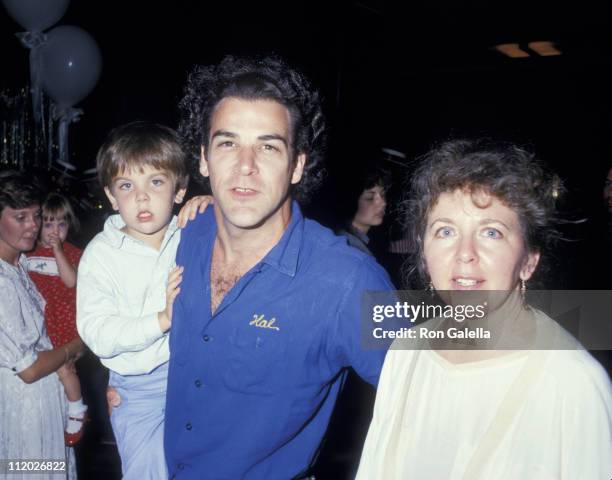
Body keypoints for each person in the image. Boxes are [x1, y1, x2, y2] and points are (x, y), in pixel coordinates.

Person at [164, 55, 394, 479]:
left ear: (297, 165)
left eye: (268, 146)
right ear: (203, 159)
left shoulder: (346, 281)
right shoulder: (189, 235)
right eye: (227, 143)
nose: (245, 165)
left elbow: (439, 390)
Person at [355, 139, 612, 479]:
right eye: (445, 231)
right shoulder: (405, 351)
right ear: (424, 253)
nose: (465, 253)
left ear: (529, 261)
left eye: (491, 232)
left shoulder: (572, 384)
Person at [76, 122, 188, 479]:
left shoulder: (190, 234)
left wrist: (209, 203)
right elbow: (97, 332)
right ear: (111, 196)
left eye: (155, 182)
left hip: (193, 375)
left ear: (179, 190)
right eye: (127, 186)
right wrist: (160, 320)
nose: (141, 197)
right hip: (138, 390)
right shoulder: (101, 254)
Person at [0, 170, 83, 480]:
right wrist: (75, 346)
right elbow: (30, 368)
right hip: (22, 413)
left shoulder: (20, 265)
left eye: (36, 216)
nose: (33, 226)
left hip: (47, 404)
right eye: (20, 217)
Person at [26, 193, 87, 446]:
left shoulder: (73, 253)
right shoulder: (27, 253)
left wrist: (58, 250)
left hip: (63, 322)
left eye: (61, 224)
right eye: (48, 223)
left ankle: (77, 411)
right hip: (37, 324)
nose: (54, 230)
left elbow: (71, 281)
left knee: (64, 369)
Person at [337, 165, 390, 256]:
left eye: (383, 194)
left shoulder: (367, 241)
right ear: (350, 201)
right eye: (370, 197)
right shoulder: (350, 247)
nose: (383, 203)